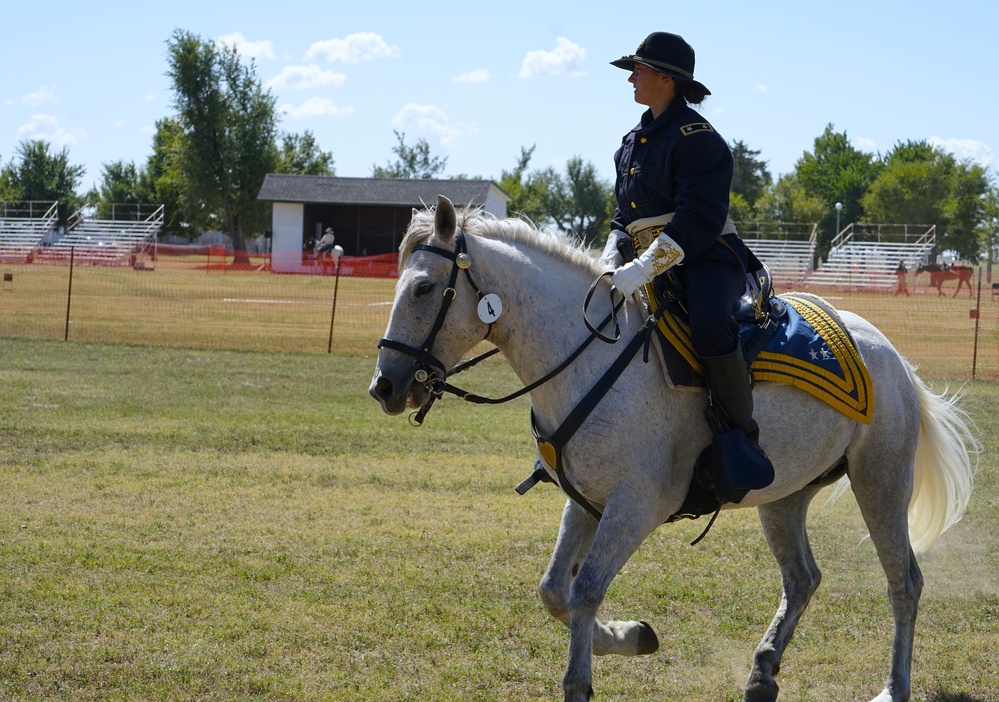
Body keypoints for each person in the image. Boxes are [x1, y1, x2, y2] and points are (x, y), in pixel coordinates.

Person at [598, 31, 773, 504]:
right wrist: (614, 251)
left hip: (704, 257)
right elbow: (624, 214)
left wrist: (646, 265)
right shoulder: (631, 141)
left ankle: (739, 440)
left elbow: (699, 217)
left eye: (638, 69)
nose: (631, 77)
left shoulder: (700, 139)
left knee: (712, 324)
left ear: (665, 78)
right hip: (643, 262)